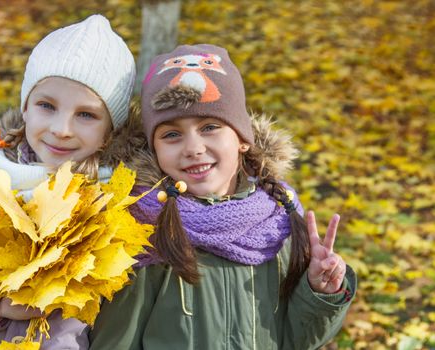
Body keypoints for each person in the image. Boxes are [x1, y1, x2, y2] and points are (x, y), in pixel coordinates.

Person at [89, 44, 357, 349]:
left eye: (210, 127)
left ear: (242, 138)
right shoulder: (146, 231)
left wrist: (319, 292)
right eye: (172, 135)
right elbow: (115, 341)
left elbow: (295, 339)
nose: (193, 147)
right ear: (155, 150)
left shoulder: (279, 222)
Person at [0, 14, 135, 349]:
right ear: (26, 108)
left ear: (111, 130)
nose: (62, 128)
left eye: (86, 115)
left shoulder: (118, 203)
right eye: (47, 105)